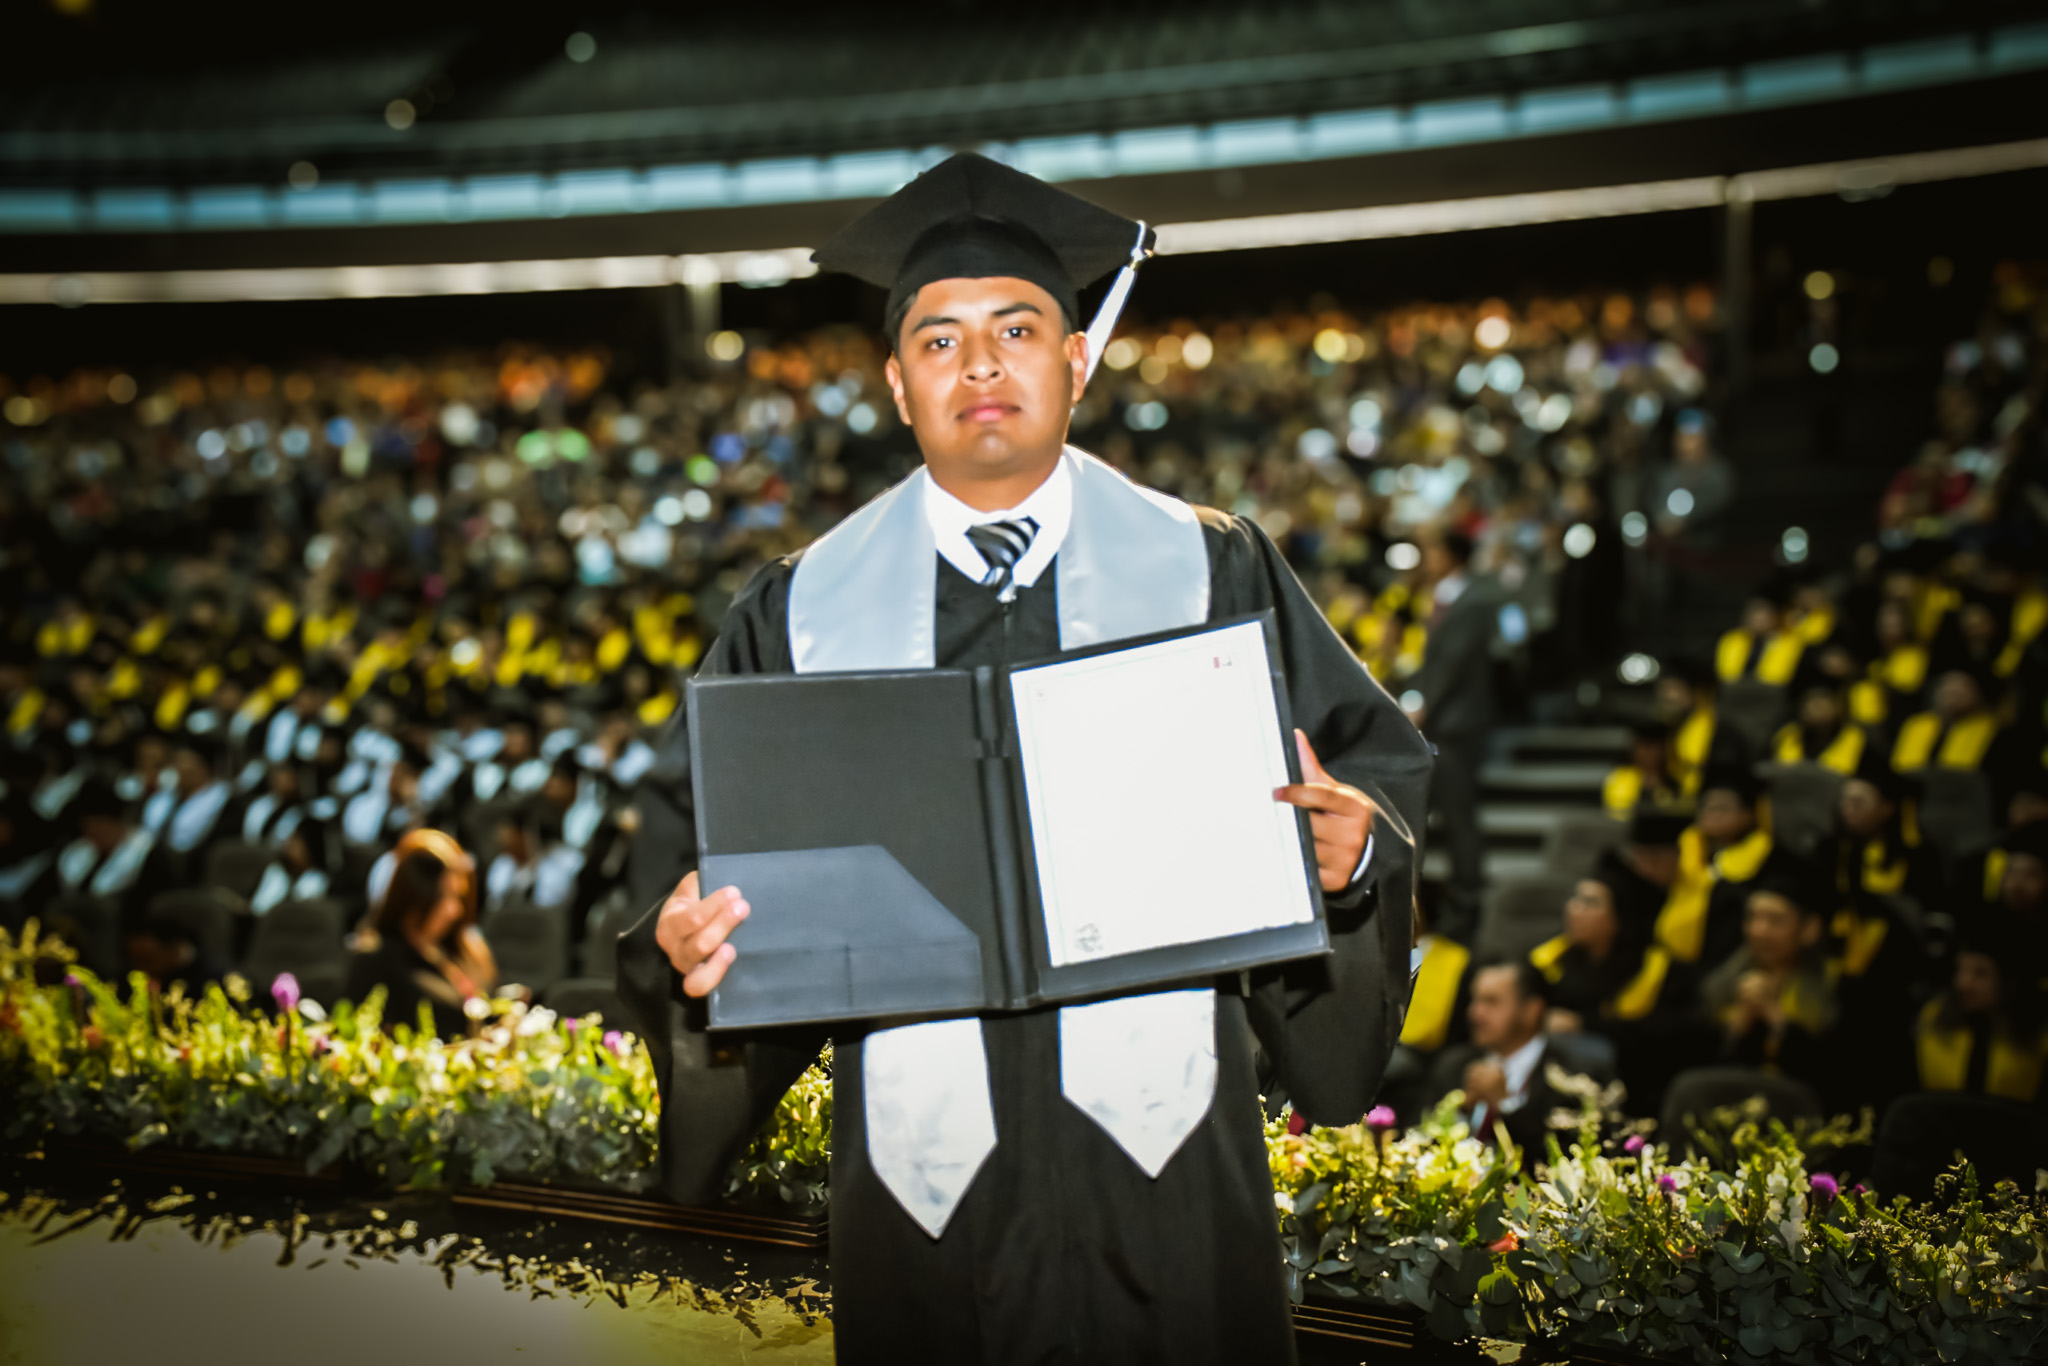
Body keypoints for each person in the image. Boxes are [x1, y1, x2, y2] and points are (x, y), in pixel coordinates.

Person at [616, 153, 1431, 1366]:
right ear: (898, 385)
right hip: (924, 1195)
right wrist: (686, 947)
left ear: (1076, 361)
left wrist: (1351, 850)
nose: (981, 364)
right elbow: (682, 868)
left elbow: (1369, 770)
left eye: (1016, 328)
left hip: (1168, 1175)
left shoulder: (1208, 569)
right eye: (938, 340)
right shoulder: (798, 613)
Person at [1408, 526, 1495, 939]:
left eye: (1434, 550)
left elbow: (1453, 662)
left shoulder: (1474, 599)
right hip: (1441, 720)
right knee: (1446, 814)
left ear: (1452, 555)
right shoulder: (1444, 596)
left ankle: (1469, 899)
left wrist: (1424, 704)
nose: (1428, 558)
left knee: (1459, 814)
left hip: (1457, 723)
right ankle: (1453, 898)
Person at [345, 827, 496, 1039]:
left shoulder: (462, 948)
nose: (455, 910)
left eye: (458, 896)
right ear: (415, 900)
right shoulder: (373, 962)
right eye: (445, 897)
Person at [1698, 872, 1838, 1094]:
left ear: (1810, 929)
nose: (1759, 931)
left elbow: (1831, 1070)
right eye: (1752, 918)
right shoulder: (1723, 981)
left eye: (1776, 920)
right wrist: (1740, 1023)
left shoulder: (1835, 985)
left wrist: (1775, 1016)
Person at [1423, 959, 1568, 1164]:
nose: (1475, 1013)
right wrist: (1461, 1111)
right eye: (1475, 1000)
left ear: (1531, 1010)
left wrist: (1505, 1107)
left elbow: (1559, 1160)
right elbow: (1420, 1143)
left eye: (1491, 1002)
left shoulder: (1569, 1075)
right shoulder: (1453, 1065)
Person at [1914, 925, 2048, 1103]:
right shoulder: (1935, 1015)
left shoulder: (2034, 1028)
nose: (1963, 983)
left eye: (1981, 974)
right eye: (1960, 970)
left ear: (2008, 981)